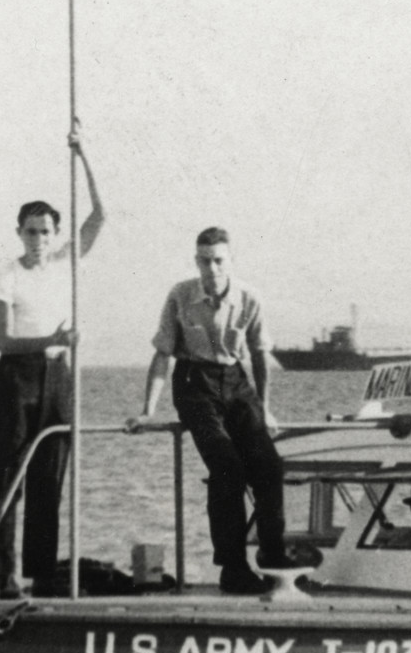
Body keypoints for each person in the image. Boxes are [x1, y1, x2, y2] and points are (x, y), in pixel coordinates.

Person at [126, 227, 311, 594]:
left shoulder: (248, 298)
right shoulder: (180, 296)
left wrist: (265, 411)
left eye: (219, 260)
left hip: (235, 381)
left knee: (269, 465)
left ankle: (273, 556)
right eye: (205, 261)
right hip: (195, 384)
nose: (212, 268)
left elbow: (259, 356)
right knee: (227, 467)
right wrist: (147, 410)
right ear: (196, 261)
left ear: (230, 260)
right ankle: (233, 567)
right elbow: (162, 354)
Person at [0, 135, 105, 599]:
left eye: (45, 231)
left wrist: (83, 155)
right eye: (30, 231)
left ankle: (42, 575)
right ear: (19, 234)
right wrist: (52, 338)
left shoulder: (64, 264)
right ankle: (4, 575)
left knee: (49, 477)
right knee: (8, 476)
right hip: (18, 375)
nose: (38, 240)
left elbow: (100, 216)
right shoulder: (4, 275)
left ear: (55, 235)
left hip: (59, 378)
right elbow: (6, 339)